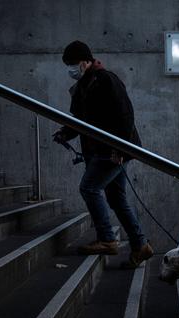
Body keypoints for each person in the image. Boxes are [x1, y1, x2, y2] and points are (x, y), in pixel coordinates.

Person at [53, 40, 153, 268]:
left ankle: (107, 239)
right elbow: (78, 120)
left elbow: (125, 115)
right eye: (67, 64)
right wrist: (65, 134)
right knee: (116, 198)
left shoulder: (106, 80)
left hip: (112, 151)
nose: (70, 68)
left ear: (86, 61)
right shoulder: (82, 87)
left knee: (89, 187)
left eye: (73, 63)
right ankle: (140, 246)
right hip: (103, 150)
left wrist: (120, 148)